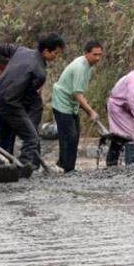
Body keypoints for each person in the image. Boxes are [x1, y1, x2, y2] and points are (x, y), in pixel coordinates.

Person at [0, 33, 65, 180]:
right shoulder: (40, 72)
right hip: (11, 104)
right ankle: (21, 169)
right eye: (56, 53)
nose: (56, 56)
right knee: (32, 137)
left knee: (3, 139)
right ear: (46, 51)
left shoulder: (21, 51)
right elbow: (28, 98)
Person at [51, 40, 103, 172]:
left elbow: (78, 92)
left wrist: (85, 108)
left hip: (71, 102)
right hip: (62, 102)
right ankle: (66, 167)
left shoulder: (88, 66)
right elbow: (77, 94)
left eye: (100, 55)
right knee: (69, 135)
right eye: (95, 54)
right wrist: (91, 112)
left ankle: (67, 166)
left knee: (74, 135)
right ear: (86, 53)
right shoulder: (80, 66)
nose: (97, 58)